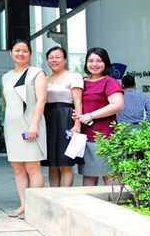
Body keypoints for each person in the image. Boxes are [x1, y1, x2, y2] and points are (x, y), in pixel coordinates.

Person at [2, 39, 46, 219]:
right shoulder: (6, 77)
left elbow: (41, 99)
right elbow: (6, 104)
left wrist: (34, 123)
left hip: (30, 123)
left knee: (32, 167)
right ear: (11, 53)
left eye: (25, 51)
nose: (20, 53)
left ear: (30, 53)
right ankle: (23, 205)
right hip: (12, 126)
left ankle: (36, 207)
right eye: (17, 50)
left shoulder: (37, 73)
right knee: (18, 167)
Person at [73, 47, 124, 186]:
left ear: (106, 63)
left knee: (110, 176)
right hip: (85, 136)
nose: (94, 64)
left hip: (106, 136)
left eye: (98, 61)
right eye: (90, 61)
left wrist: (90, 115)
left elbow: (118, 105)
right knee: (88, 176)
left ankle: (116, 206)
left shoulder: (109, 81)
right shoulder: (81, 82)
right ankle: (88, 207)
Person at [42, 46, 84, 187]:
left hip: (66, 117)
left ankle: (66, 194)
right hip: (48, 119)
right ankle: (54, 195)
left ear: (65, 60)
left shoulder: (74, 76)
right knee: (52, 163)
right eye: (51, 57)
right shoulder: (45, 79)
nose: (54, 60)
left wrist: (77, 124)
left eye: (58, 57)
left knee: (65, 162)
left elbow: (78, 102)